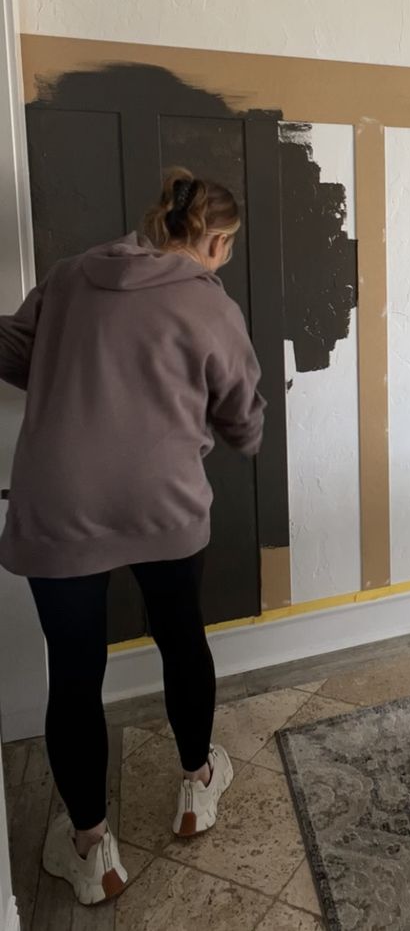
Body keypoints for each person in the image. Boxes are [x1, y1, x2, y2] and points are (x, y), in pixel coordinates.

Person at [0, 168, 265, 906]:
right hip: (163, 505)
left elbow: (13, 351)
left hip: (60, 508)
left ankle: (91, 848)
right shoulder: (207, 302)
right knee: (182, 640)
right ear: (213, 240)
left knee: (75, 677)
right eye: (227, 249)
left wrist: (71, 368)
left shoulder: (67, 276)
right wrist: (240, 428)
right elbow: (243, 417)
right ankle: (196, 785)